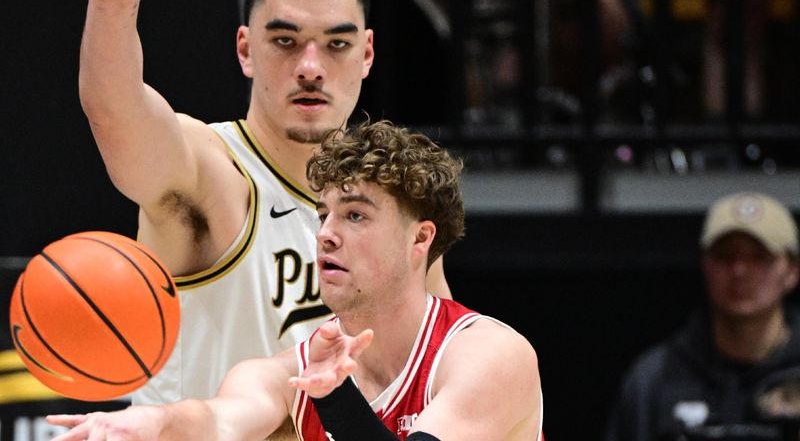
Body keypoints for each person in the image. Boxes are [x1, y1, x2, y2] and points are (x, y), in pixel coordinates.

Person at [73, 0, 450, 409]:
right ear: (245, 50)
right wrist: (112, 0)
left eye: (337, 45)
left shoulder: (396, 199)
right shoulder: (209, 169)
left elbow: (437, 355)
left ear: (368, 54)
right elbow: (114, 109)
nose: (310, 67)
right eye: (285, 41)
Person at [47, 120, 543, 441]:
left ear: (420, 240)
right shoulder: (294, 371)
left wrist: (337, 401)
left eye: (355, 216)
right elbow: (220, 419)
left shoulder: (488, 355)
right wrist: (153, 423)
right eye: (324, 214)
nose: (326, 234)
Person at [606, 191, 800, 441]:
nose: (739, 270)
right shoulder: (655, 379)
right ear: (704, 263)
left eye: (759, 257)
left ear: (793, 271)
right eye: (724, 256)